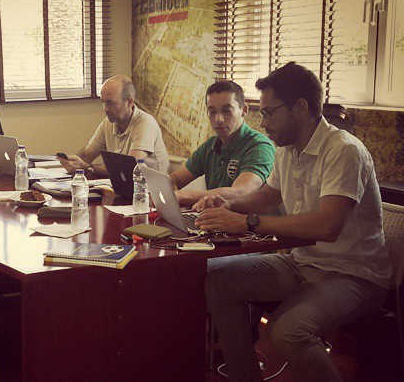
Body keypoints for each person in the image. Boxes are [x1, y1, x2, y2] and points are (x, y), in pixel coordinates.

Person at [199, 63, 391, 382]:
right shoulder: (287, 149)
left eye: (269, 113)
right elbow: (268, 195)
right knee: (218, 279)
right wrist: (227, 204)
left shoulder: (344, 151)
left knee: (286, 330)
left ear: (300, 107)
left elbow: (326, 226)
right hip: (303, 263)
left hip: (354, 275)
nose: (263, 122)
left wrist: (247, 222)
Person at [170, 80, 275, 210]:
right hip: (215, 219)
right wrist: (167, 191)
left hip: (248, 222)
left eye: (226, 111)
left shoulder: (259, 146)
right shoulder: (211, 145)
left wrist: (181, 196)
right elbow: (175, 179)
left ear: (244, 110)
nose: (218, 119)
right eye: (212, 112)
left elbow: (241, 192)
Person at [58, 75, 169, 175]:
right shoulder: (108, 122)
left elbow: (129, 168)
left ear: (129, 102)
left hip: (150, 189)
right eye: (103, 102)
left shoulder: (146, 123)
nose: (105, 109)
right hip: (126, 186)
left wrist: (88, 167)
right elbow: (87, 154)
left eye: (110, 103)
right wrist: (72, 162)